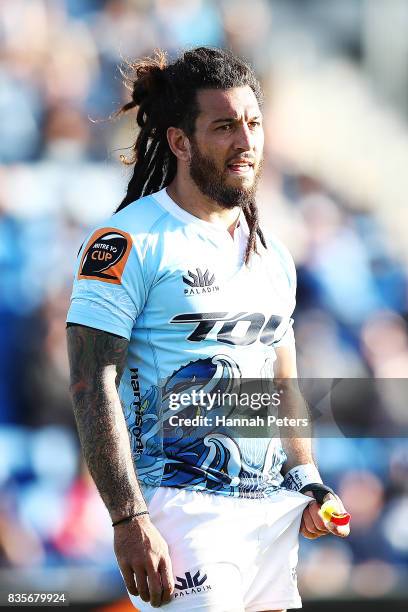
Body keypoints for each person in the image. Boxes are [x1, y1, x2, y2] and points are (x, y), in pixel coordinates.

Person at [66, 47, 350, 612]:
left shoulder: (273, 256)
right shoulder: (127, 242)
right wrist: (130, 518)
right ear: (179, 141)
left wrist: (309, 481)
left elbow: (282, 384)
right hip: (181, 512)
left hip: (271, 516)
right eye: (224, 126)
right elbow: (90, 385)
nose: (245, 141)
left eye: (253, 123)